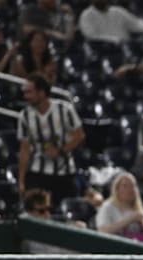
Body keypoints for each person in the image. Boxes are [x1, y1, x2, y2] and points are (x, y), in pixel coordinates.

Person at [17, 73, 85, 208]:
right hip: (37, 172)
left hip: (63, 173)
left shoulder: (64, 110)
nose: (26, 97)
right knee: (36, 213)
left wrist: (61, 151)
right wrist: (21, 181)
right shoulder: (25, 115)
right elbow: (24, 150)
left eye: (29, 92)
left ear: (42, 93)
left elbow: (79, 136)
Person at [95, 172, 143, 241]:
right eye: (125, 186)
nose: (129, 189)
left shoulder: (138, 210)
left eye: (132, 186)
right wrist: (129, 220)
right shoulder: (107, 207)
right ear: (117, 189)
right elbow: (102, 231)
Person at [78, 0, 143, 44]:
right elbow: (91, 36)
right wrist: (116, 40)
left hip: (126, 45)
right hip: (105, 49)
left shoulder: (117, 11)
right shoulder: (86, 15)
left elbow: (135, 23)